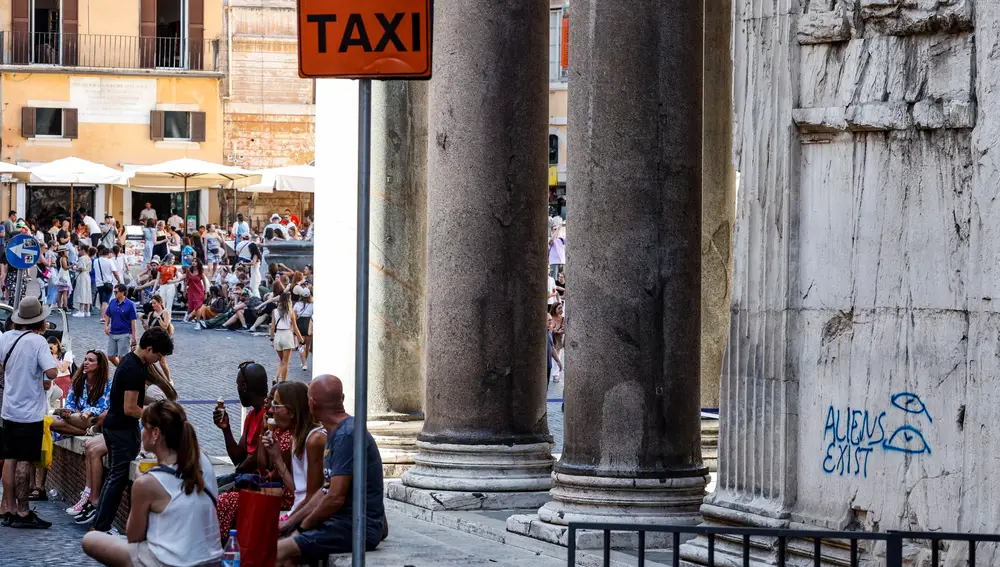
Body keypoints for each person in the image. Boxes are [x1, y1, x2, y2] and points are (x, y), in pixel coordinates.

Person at [83, 399, 222, 567]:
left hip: (168, 563)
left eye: (143, 427)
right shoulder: (203, 462)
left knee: (91, 539)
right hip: (211, 561)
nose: (141, 433)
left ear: (155, 433)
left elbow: (134, 536)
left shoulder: (147, 484)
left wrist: (139, 484)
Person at [275, 375, 385, 565]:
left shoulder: (345, 435)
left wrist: (301, 528)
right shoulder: (336, 433)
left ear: (311, 403)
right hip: (343, 524)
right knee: (281, 549)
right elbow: (324, 490)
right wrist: (290, 523)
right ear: (341, 399)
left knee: (277, 552)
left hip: (355, 527)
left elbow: (335, 498)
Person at [91, 327, 175, 533]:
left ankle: (99, 524)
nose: (158, 360)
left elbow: (135, 396)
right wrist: (155, 416)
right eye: (158, 355)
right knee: (117, 480)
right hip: (122, 430)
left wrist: (154, 402)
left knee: (113, 478)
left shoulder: (130, 362)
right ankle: (101, 527)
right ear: (149, 349)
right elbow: (130, 408)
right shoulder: (134, 369)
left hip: (115, 427)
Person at [0, 297, 58, 529]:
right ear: (39, 321)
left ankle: (9, 507)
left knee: (10, 459)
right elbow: (52, 373)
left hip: (9, 408)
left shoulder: (6, 337)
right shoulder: (38, 342)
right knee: (24, 460)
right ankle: (23, 511)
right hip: (29, 412)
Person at [264, 382, 325, 515]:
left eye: (275, 405)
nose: (270, 410)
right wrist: (276, 457)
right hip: (300, 510)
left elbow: (312, 498)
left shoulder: (315, 440)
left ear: (291, 412)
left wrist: (288, 523)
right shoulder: (295, 438)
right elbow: (297, 490)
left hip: (307, 515)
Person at [212, 361, 269, 479]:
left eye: (238, 385)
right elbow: (238, 458)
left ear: (244, 387)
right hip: (245, 477)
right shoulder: (252, 415)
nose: (237, 390)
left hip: (257, 481)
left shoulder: (268, 417)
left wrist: (238, 472)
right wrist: (226, 429)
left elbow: (255, 458)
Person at [271, 292, 302, 383]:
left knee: (282, 361)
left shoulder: (274, 311)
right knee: (286, 363)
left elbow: (272, 327)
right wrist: (301, 339)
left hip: (278, 336)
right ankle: (283, 382)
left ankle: (276, 377)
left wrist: (272, 339)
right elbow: (295, 328)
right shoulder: (291, 312)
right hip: (287, 335)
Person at [105, 284, 138, 367]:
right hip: (113, 333)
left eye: (116, 292)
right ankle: (122, 371)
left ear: (123, 292)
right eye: (114, 292)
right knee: (110, 356)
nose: (115, 293)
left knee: (122, 357)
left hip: (124, 333)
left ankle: (121, 373)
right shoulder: (112, 302)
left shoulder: (130, 305)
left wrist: (133, 336)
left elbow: (133, 321)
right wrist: (106, 326)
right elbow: (108, 314)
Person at [141, 294, 173, 381]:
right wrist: (142, 322)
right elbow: (148, 328)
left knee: (162, 362)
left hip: (161, 340)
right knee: (148, 361)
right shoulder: (151, 313)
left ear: (160, 303)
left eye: (155, 303)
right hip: (152, 340)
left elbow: (165, 326)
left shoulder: (165, 313)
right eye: (152, 303)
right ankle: (152, 378)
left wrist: (158, 317)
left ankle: (169, 379)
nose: (153, 305)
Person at [94, 247, 123, 323]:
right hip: (108, 283)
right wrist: (119, 281)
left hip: (99, 283)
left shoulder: (96, 261)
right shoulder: (109, 261)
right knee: (106, 301)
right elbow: (115, 273)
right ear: (109, 253)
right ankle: (103, 318)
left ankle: (102, 316)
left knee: (101, 299)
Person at [155, 254, 182, 319]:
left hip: (170, 286)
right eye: (172, 259)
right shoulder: (161, 267)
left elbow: (179, 278)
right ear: (168, 259)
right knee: (162, 301)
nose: (173, 260)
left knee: (169, 302)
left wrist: (172, 281)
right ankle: (163, 316)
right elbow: (157, 279)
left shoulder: (174, 268)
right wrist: (154, 289)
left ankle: (168, 317)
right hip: (163, 286)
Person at [293, 287, 313, 372]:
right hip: (308, 324)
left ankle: (304, 363)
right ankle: (304, 361)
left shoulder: (297, 304)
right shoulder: (312, 305)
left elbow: (293, 316)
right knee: (307, 346)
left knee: (301, 345)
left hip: (299, 324)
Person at [184, 258, 208, 322]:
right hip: (191, 291)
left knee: (197, 307)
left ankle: (198, 322)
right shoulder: (188, 270)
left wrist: (205, 293)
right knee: (191, 307)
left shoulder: (200, 272)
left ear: (198, 263)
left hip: (199, 291)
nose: (193, 262)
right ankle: (189, 315)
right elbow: (186, 281)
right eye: (193, 261)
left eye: (195, 261)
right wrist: (184, 291)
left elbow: (205, 283)